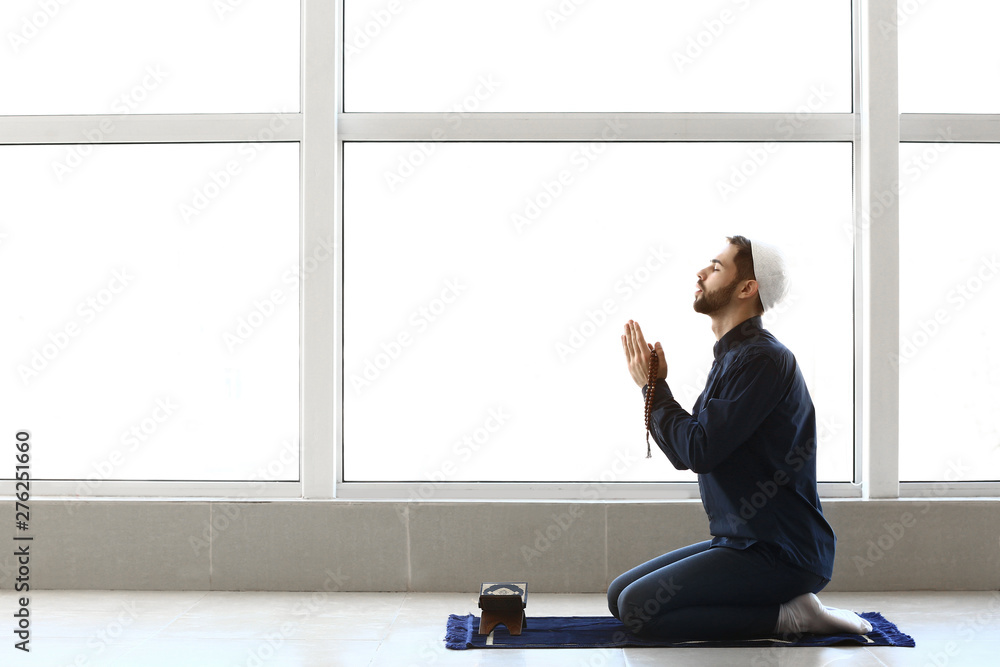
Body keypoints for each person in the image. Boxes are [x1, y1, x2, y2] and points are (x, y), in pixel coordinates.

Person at [611, 235, 872, 640]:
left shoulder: (763, 359)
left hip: (782, 552)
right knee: (618, 596)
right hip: (742, 542)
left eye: (716, 267)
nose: (701, 272)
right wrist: (654, 386)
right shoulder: (734, 357)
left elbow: (699, 451)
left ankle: (791, 617)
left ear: (748, 288)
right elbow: (689, 451)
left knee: (636, 608)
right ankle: (780, 606)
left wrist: (654, 390)